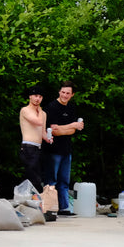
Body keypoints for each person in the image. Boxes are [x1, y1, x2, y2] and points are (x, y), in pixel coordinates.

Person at [43, 80, 85, 215]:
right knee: (51, 180)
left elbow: (72, 131)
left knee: (64, 181)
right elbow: (52, 131)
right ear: (59, 92)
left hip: (66, 149)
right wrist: (72, 125)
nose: (65, 95)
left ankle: (64, 208)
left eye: (68, 93)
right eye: (63, 92)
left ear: (72, 95)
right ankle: (49, 208)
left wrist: (65, 128)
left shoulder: (71, 108)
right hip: (53, 150)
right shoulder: (51, 107)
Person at [18, 84, 51, 193]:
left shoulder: (43, 113)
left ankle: (33, 199)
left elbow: (42, 132)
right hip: (28, 147)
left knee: (37, 175)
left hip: (38, 148)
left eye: (40, 97)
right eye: (35, 96)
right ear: (30, 96)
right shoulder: (25, 110)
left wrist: (48, 138)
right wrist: (39, 111)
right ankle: (35, 198)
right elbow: (37, 122)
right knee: (32, 177)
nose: (38, 99)